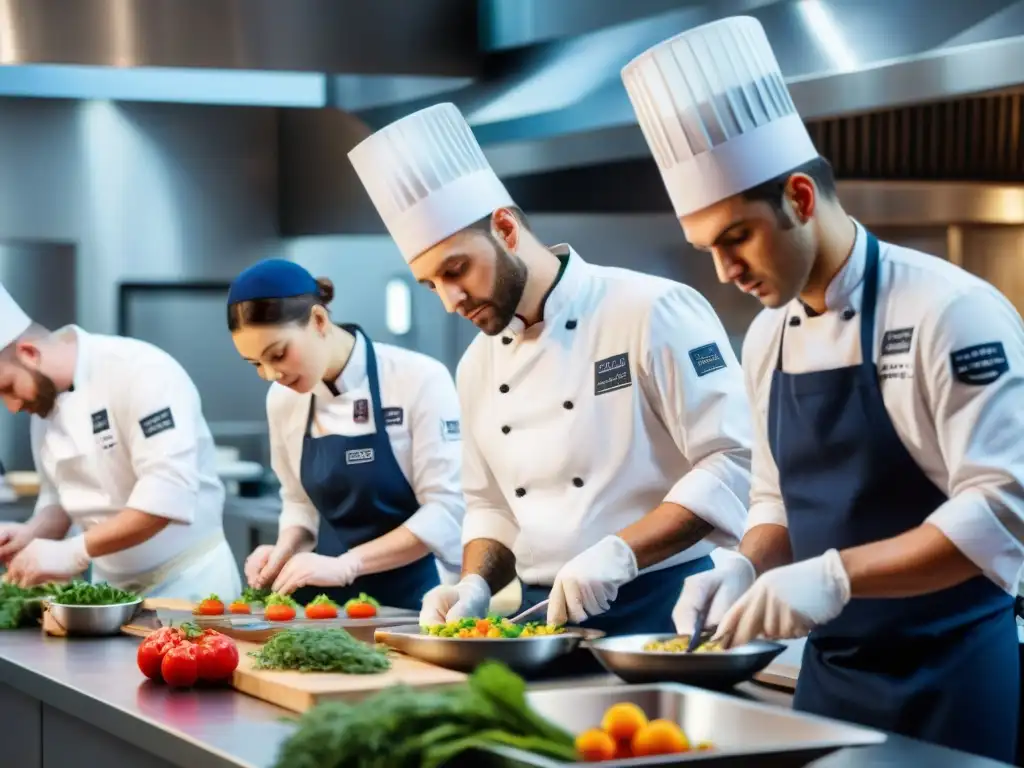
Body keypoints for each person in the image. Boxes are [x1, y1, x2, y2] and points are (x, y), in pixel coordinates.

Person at [622, 15, 1024, 762]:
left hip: (954, 683)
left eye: (736, 237)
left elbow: (1000, 510)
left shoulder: (950, 311)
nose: (724, 271)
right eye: (707, 248)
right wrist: (746, 564)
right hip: (829, 683)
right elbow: (773, 498)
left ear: (801, 197)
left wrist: (835, 577)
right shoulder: (769, 336)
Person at [347, 102, 753, 635]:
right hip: (538, 619)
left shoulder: (652, 309)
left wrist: (621, 554)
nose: (450, 300)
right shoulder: (475, 367)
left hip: (664, 609)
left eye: (456, 270)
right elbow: (490, 508)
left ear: (505, 228)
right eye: (431, 285)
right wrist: (472, 584)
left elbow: (734, 458)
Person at [228, 259, 464, 610]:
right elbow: (298, 503)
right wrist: (284, 551)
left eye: (277, 354)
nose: (269, 374)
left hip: (413, 603)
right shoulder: (282, 400)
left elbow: (445, 511)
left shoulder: (418, 379)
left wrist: (347, 565)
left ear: (319, 320)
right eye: (255, 364)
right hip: (323, 607)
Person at [0, 282, 241, 599]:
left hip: (190, 585)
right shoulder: (43, 409)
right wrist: (31, 535)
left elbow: (166, 496)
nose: (12, 407)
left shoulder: (139, 371)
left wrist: (73, 551)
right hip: (111, 593)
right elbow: (60, 499)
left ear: (29, 353)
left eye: (8, 387)